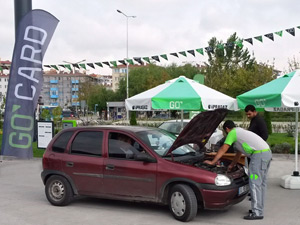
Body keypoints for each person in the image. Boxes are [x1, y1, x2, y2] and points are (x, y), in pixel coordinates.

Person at [204, 120, 272, 220]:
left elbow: (224, 148)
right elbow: (239, 153)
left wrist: (212, 162)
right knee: (261, 184)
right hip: (266, 153)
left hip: (258, 156)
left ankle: (257, 212)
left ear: (227, 129)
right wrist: (232, 164)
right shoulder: (240, 132)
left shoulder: (232, 133)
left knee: (254, 183)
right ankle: (258, 209)